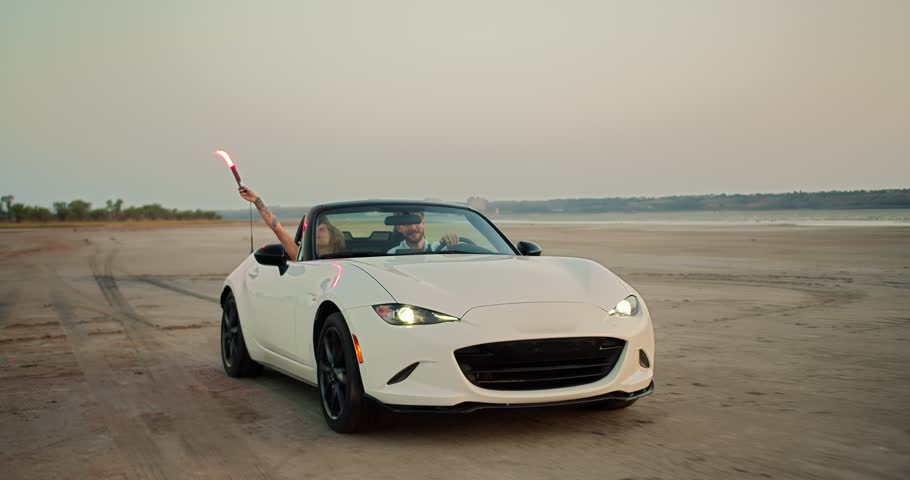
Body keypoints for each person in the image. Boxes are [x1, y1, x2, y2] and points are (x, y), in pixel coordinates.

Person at [238, 187, 345, 259]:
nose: (316, 233)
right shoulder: (301, 257)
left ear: (333, 237)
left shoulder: (346, 259)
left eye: (322, 229)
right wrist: (257, 200)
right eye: (314, 230)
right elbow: (277, 228)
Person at [387, 211, 460, 254]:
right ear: (399, 228)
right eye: (407, 223)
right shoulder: (392, 254)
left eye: (416, 221)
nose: (413, 228)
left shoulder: (439, 248)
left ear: (423, 223)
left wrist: (452, 244)